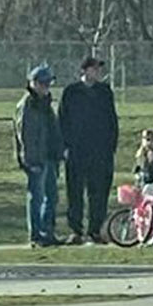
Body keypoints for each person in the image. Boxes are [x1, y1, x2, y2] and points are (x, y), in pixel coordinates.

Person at [58, 56, 119, 244]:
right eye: (94, 69)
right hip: (77, 151)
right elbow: (62, 120)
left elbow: (112, 121)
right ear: (84, 70)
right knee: (75, 191)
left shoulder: (104, 92)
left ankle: (95, 229)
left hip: (100, 152)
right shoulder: (71, 92)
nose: (98, 72)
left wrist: (111, 146)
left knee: (99, 192)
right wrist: (64, 147)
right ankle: (76, 230)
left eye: (99, 69)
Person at [14, 64, 64, 247]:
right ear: (33, 83)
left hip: (50, 156)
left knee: (51, 196)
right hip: (36, 159)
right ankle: (36, 234)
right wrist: (30, 160)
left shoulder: (46, 104)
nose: (45, 87)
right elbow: (25, 135)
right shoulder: (27, 104)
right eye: (42, 83)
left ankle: (48, 231)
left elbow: (53, 130)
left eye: (48, 83)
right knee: (36, 196)